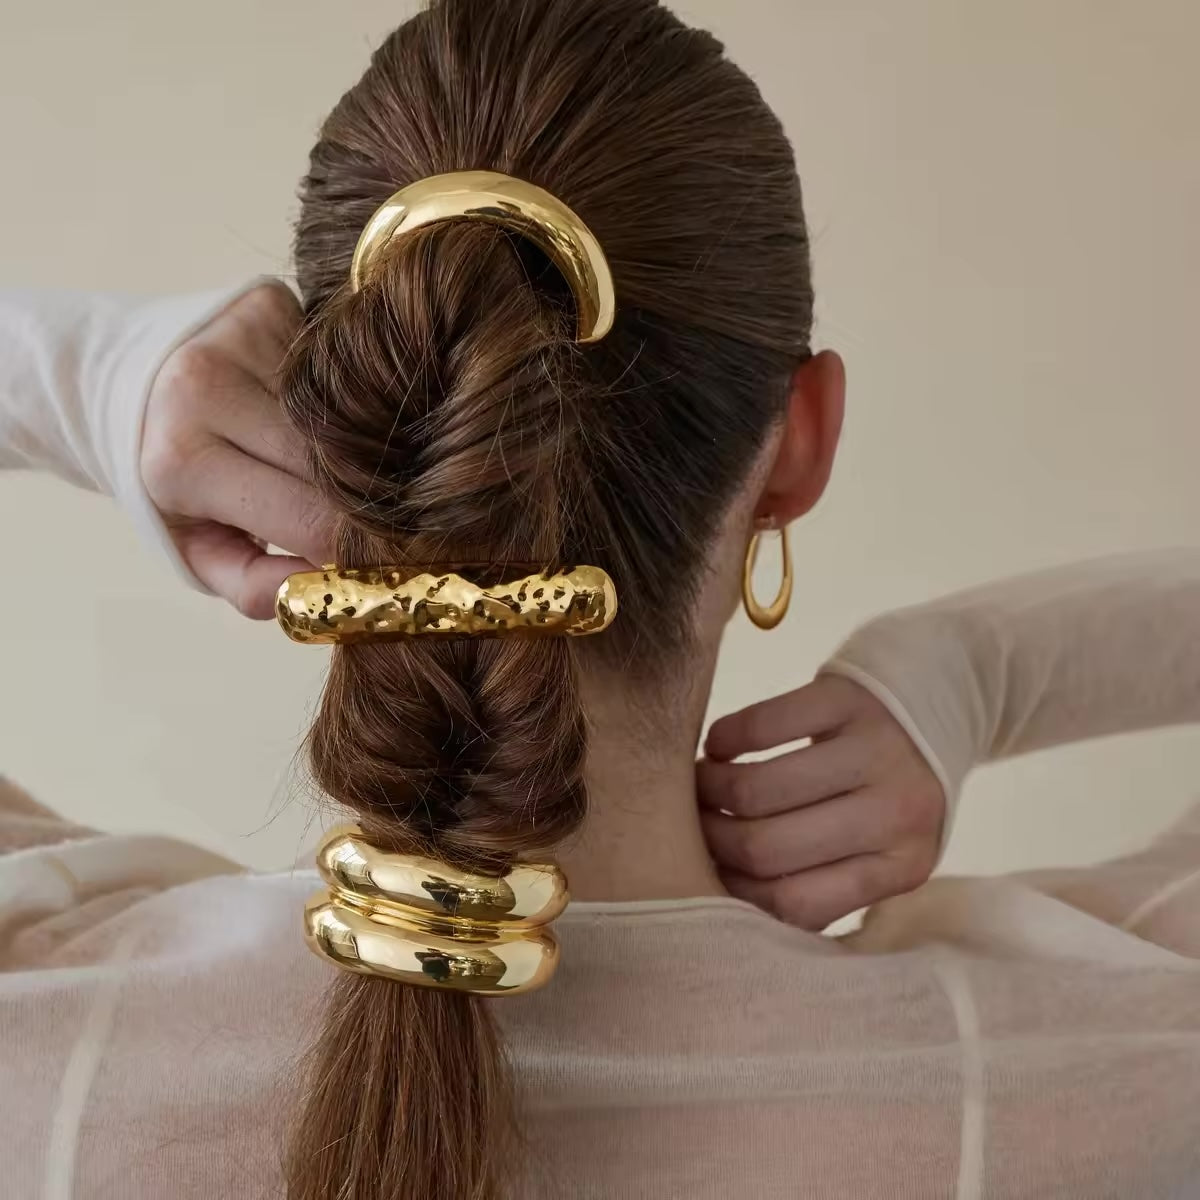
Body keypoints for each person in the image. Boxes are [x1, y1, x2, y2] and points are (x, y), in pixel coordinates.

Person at [1, 1, 1197, 1197]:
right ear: (802, 442)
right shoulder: (1117, 1062)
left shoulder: (44, 1031)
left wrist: (96, 379)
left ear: (348, 418)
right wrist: (975, 670)